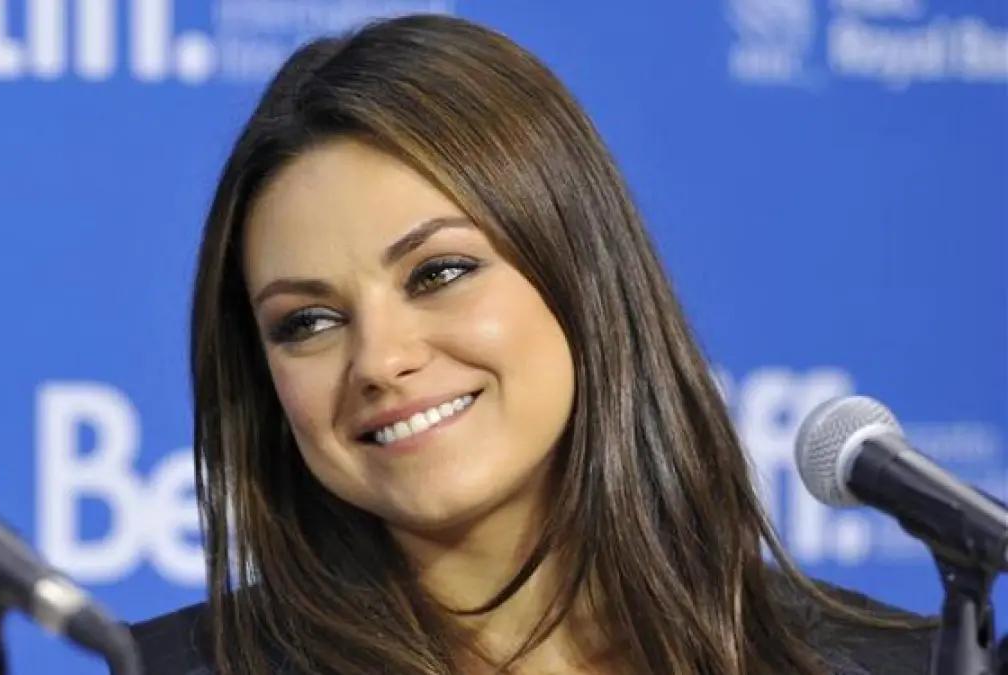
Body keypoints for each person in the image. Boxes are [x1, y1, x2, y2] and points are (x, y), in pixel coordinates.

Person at [130, 13, 935, 675]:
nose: (378, 359)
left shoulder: (900, 663)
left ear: (580, 273)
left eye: (438, 273)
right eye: (308, 321)